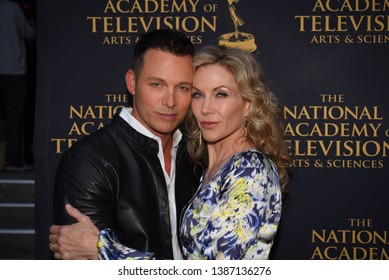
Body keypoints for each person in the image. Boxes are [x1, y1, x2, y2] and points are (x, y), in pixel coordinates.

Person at [50, 45, 291, 260]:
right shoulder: (207, 166)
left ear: (248, 104)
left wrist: (104, 250)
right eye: (197, 94)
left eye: (221, 94)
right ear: (132, 83)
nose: (206, 108)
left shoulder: (251, 171)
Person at [50, 29, 201, 260]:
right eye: (157, 85)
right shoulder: (90, 162)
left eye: (182, 87)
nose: (170, 101)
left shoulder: (197, 154)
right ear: (132, 82)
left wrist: (105, 251)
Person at [0, 0, 35, 171]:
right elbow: (28, 32)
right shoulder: (12, 8)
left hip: (9, 69)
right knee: (14, 117)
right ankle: (12, 160)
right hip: (13, 70)